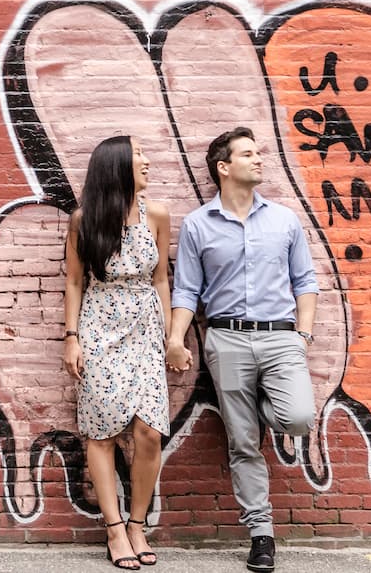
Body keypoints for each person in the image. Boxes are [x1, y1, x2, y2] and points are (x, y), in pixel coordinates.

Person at [165, 127, 317, 573]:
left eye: (259, 153)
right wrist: (176, 339)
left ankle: (258, 408)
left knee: (298, 417)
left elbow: (306, 282)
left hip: (281, 338)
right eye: (248, 154)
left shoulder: (285, 220)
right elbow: (186, 291)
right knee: (243, 442)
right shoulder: (197, 225)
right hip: (226, 339)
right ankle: (261, 534)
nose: (259, 160)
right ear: (224, 167)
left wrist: (302, 335)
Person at [63, 135, 172, 570]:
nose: (146, 160)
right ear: (116, 165)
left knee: (149, 430)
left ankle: (137, 523)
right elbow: (74, 281)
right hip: (99, 326)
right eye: (138, 154)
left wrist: (168, 334)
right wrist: (71, 337)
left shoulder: (158, 215)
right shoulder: (83, 220)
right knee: (102, 431)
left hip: (145, 326)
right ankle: (113, 529)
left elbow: (162, 278)